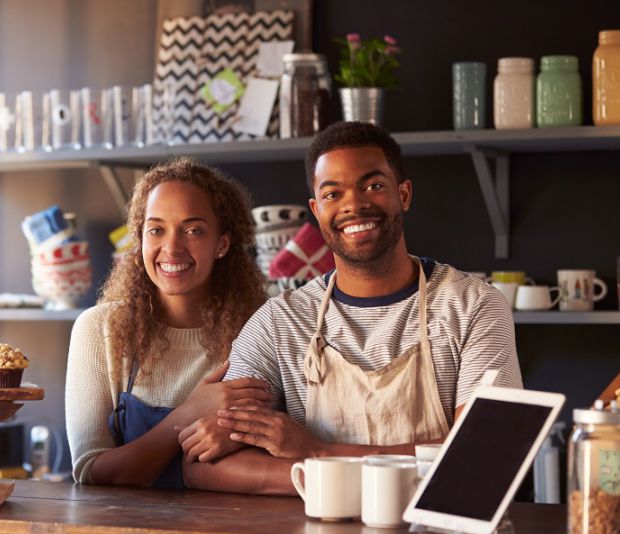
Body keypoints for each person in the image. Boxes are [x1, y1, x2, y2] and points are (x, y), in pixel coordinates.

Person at [178, 122, 523, 494]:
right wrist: (332, 478)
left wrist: (319, 453)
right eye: (332, 194)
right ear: (316, 208)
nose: (354, 205)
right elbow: (203, 465)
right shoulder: (280, 322)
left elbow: (487, 455)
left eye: (373, 186)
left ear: (403, 194)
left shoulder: (474, 307)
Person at [65, 157, 270, 489]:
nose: (171, 248)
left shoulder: (260, 329)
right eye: (156, 229)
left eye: (193, 230)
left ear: (222, 243)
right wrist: (189, 414)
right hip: (121, 532)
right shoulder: (98, 328)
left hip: (224, 532)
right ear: (141, 239)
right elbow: (91, 471)